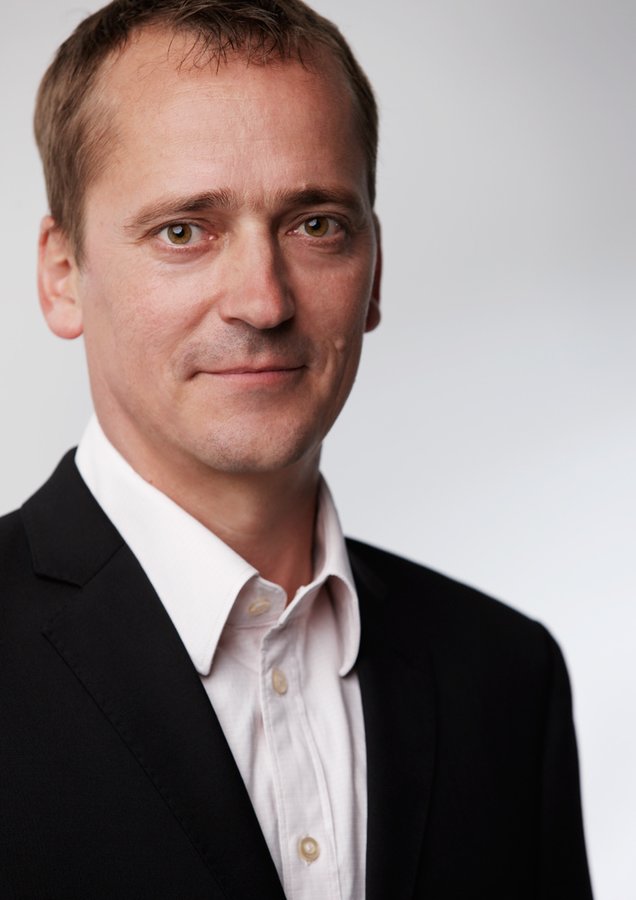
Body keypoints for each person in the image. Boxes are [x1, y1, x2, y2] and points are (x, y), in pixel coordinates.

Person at [0, 1, 593, 897]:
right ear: (61, 275)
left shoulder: (507, 677)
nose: (264, 302)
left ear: (374, 269)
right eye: (184, 230)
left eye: (315, 224)